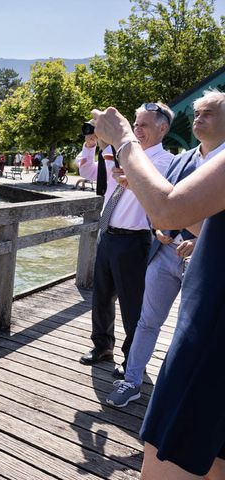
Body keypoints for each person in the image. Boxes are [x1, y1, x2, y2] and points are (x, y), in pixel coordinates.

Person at [91, 91, 225, 479]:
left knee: (169, 458)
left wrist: (122, 139)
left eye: (209, 112)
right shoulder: (189, 159)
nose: (199, 118)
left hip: (210, 334)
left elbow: (170, 209)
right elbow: (200, 222)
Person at [78, 102, 174, 377]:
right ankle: (102, 346)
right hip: (108, 234)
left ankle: (132, 358)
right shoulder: (120, 154)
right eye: (135, 124)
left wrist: (133, 178)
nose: (136, 130)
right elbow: (86, 173)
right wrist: (90, 143)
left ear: (162, 128)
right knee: (101, 296)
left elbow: (164, 199)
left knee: (133, 303)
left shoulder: (165, 162)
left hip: (135, 239)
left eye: (144, 125)